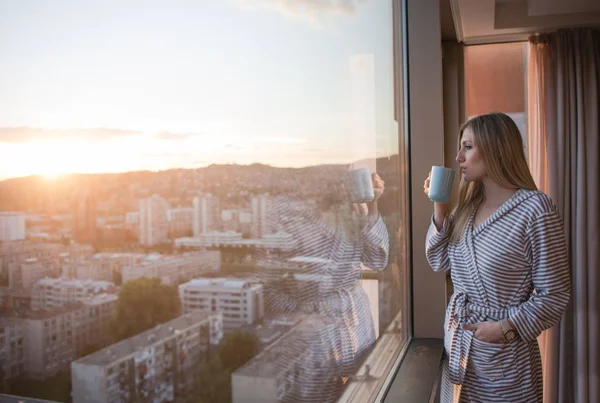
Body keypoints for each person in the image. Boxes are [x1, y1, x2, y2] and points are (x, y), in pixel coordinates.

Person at [424, 112, 571, 403]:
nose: (458, 158)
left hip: (506, 355)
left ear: (495, 148)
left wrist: (505, 328)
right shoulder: (467, 208)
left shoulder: (535, 209)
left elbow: (555, 293)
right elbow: (439, 262)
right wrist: (440, 206)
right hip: (459, 352)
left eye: (467, 147)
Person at [259, 168, 390, 403]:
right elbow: (268, 288)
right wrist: (304, 316)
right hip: (313, 338)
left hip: (357, 326)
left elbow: (377, 260)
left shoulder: (354, 211)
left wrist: (373, 204)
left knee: (363, 395)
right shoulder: (283, 213)